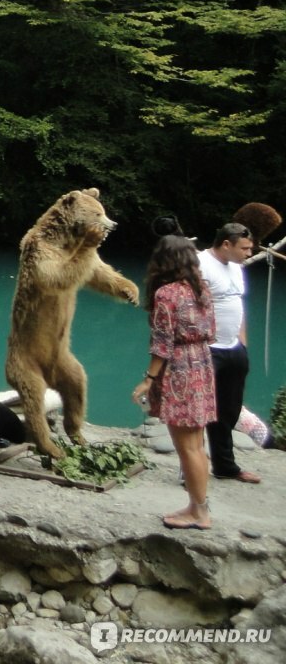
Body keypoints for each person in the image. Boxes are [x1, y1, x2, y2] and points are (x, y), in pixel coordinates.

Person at [131, 235, 218, 529]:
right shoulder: (201, 289)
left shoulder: (166, 294)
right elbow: (212, 331)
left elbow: (163, 344)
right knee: (197, 444)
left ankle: (200, 513)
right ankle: (197, 506)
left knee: (187, 448)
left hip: (179, 368)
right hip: (203, 365)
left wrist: (148, 379)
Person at [197, 222, 262, 484]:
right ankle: (192, 468)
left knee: (229, 409)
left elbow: (237, 302)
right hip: (207, 348)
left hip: (233, 347)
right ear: (226, 244)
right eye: (244, 248)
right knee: (198, 410)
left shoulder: (236, 267)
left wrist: (242, 342)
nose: (248, 253)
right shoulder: (200, 263)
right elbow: (192, 307)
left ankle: (225, 466)